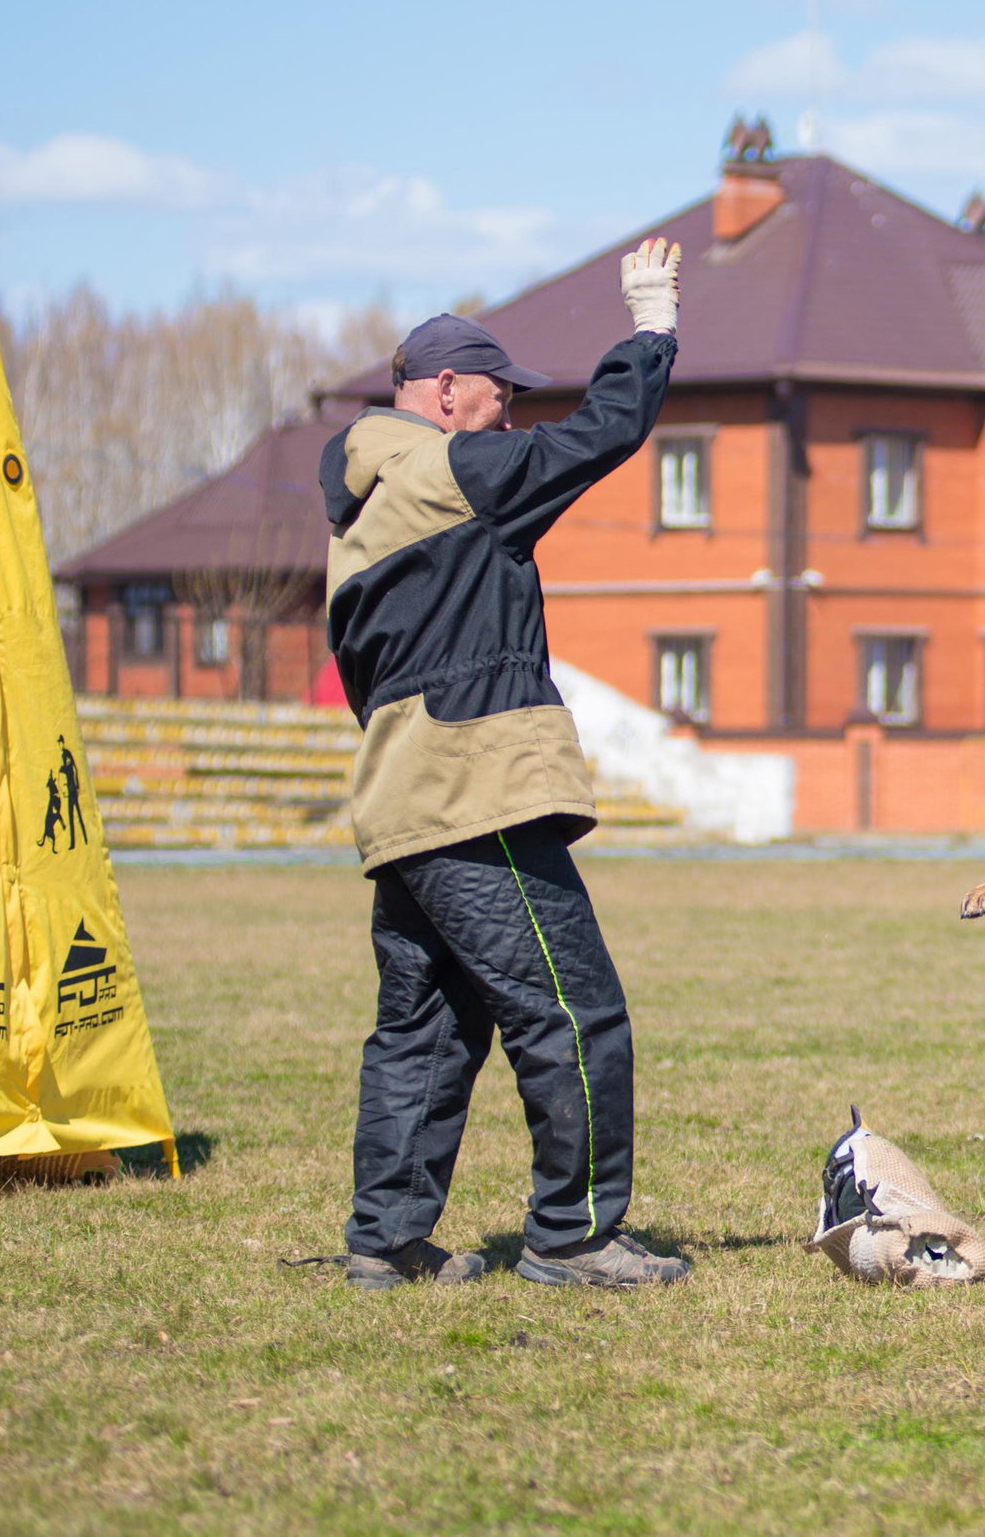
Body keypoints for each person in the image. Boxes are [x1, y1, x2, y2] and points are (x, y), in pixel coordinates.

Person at [320, 238, 688, 1292]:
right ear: (446, 390)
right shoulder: (444, 471)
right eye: (498, 396)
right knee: (574, 1010)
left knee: (426, 1028)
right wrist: (651, 325)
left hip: (400, 797)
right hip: (471, 790)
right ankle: (572, 1234)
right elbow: (596, 436)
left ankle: (386, 1242)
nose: (511, 415)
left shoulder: (362, 507)